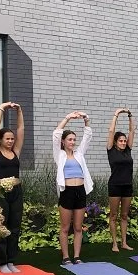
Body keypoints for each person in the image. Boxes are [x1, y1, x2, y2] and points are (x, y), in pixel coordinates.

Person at [0, 102, 25, 274]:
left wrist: (19, 111)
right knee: (1, 226)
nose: (10, 141)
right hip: (1, 192)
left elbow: (21, 129)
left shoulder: (15, 152)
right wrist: (1, 109)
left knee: (15, 226)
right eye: (7, 138)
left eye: (12, 139)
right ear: (0, 140)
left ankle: (11, 260)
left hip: (16, 192)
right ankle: (2, 262)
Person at [53, 111, 93, 264]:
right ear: (63, 142)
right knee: (64, 227)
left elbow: (87, 136)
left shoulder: (79, 154)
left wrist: (85, 119)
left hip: (80, 192)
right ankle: (65, 257)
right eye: (69, 139)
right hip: (67, 192)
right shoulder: (60, 155)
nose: (72, 142)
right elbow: (56, 134)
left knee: (77, 227)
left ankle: (76, 256)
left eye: (74, 139)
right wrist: (68, 118)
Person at [106, 108, 136, 252]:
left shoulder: (128, 151)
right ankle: (114, 243)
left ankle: (124, 242)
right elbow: (111, 131)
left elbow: (132, 132)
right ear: (116, 142)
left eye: (124, 141)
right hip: (115, 186)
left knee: (124, 215)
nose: (123, 142)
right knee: (113, 215)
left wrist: (130, 116)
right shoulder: (111, 150)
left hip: (127, 186)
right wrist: (116, 114)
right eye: (121, 141)